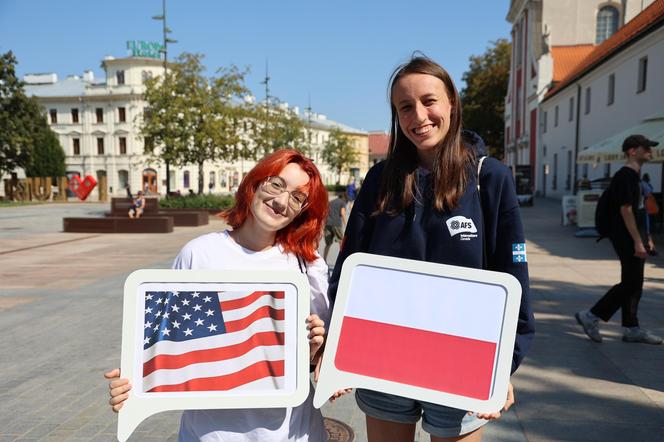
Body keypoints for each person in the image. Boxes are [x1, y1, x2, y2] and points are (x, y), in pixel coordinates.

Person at [328, 56, 535, 442]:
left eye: (429, 101)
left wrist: (503, 364)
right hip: (385, 354)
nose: (418, 115)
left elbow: (513, 278)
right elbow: (350, 268)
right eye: (405, 107)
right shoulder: (381, 179)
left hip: (463, 357)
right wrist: (337, 347)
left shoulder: (489, 177)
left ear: (452, 103)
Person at [106, 149, 348, 441]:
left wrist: (316, 354)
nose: (282, 201)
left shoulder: (307, 265)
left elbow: (318, 357)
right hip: (211, 433)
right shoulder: (200, 254)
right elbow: (165, 343)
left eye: (297, 198)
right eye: (276, 185)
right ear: (254, 183)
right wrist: (133, 380)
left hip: (291, 432)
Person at [576, 135, 662, 345]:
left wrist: (646, 237)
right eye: (646, 148)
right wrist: (637, 241)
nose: (651, 152)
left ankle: (631, 327)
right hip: (626, 237)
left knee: (635, 283)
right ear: (633, 151)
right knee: (631, 282)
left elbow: (639, 210)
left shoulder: (635, 176)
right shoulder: (626, 176)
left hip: (635, 235)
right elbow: (626, 210)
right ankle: (591, 316)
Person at [323, 191, 347, 263]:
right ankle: (342, 260)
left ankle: (324, 260)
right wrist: (346, 224)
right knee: (341, 242)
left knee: (328, 244)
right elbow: (343, 213)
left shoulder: (331, 202)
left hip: (328, 224)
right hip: (337, 224)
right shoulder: (342, 202)